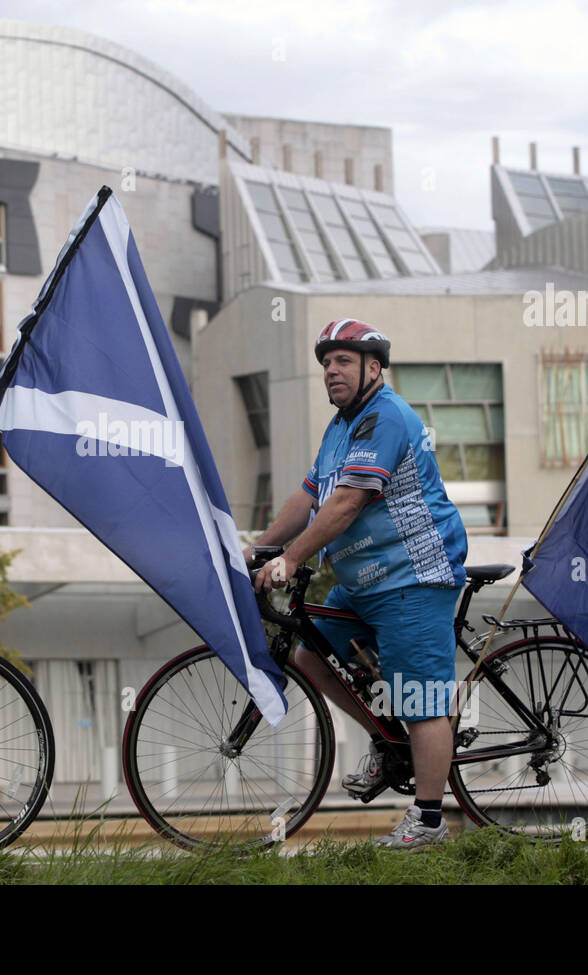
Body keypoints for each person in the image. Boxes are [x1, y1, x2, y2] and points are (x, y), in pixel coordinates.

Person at [245, 319, 467, 850]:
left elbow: (347, 502)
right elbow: (312, 496)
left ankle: (430, 821)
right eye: (326, 363)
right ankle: (387, 744)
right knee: (310, 655)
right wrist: (259, 547)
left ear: (374, 367)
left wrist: (292, 559)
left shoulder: (384, 416)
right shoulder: (341, 427)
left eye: (343, 361)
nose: (331, 371)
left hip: (412, 575)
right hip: (364, 582)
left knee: (422, 699)